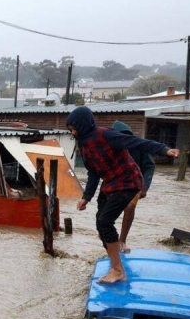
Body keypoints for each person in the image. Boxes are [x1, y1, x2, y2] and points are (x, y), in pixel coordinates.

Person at [66, 107, 179, 283]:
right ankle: (114, 262)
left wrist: (164, 150)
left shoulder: (106, 135)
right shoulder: (83, 144)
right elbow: (93, 174)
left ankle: (118, 270)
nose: (72, 132)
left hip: (129, 181)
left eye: (73, 128)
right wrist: (86, 198)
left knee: (106, 221)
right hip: (110, 183)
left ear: (82, 124)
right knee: (100, 224)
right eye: (70, 129)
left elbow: (137, 143)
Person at [110, 121, 155, 253]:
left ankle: (122, 241)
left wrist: (144, 187)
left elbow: (149, 166)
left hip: (135, 183)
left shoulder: (138, 145)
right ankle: (107, 236)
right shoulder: (110, 146)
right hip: (115, 183)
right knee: (106, 212)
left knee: (129, 207)